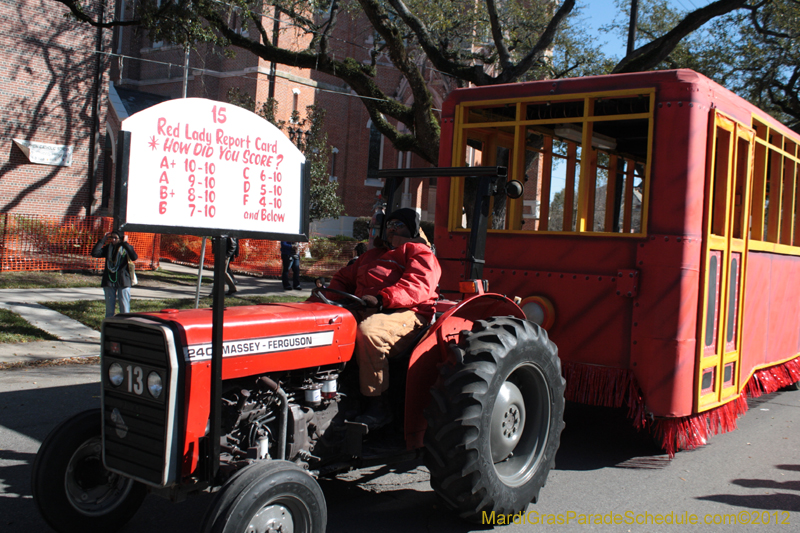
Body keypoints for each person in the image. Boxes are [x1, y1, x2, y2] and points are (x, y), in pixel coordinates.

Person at [325, 208, 441, 430]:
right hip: (368, 306)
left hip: (408, 312)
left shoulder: (420, 253)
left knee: (370, 333)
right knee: (326, 326)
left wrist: (382, 299)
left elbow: (417, 287)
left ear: (411, 229)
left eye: (398, 225)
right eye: (389, 224)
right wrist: (325, 300)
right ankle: (339, 393)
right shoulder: (371, 255)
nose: (392, 229)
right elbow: (342, 278)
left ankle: (378, 405)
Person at [91, 229, 138, 318]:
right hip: (109, 281)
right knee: (109, 311)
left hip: (123, 281)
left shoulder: (126, 248)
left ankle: (124, 324)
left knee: (124, 309)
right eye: (111, 237)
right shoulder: (108, 248)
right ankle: (110, 324)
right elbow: (95, 253)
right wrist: (103, 240)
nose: (113, 240)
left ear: (121, 238)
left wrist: (125, 243)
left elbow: (134, 257)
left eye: (115, 238)